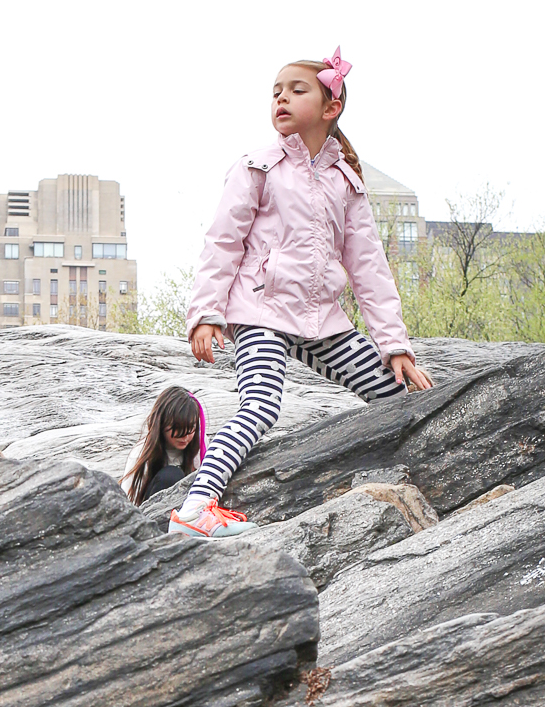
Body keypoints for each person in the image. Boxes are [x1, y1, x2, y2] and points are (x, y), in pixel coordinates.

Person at [168, 48, 434, 539]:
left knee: (398, 396)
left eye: (296, 90)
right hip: (260, 310)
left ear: (330, 108)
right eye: (275, 92)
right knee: (262, 404)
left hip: (322, 321)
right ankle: (195, 508)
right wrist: (206, 313)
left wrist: (394, 345)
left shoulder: (347, 183)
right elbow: (222, 242)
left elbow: (369, 267)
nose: (281, 99)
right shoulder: (257, 167)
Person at [121, 386, 207, 505]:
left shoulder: (199, 442)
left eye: (191, 428)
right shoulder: (141, 453)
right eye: (178, 429)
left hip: (190, 508)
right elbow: (127, 501)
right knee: (171, 475)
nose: (185, 437)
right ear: (161, 424)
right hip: (152, 511)